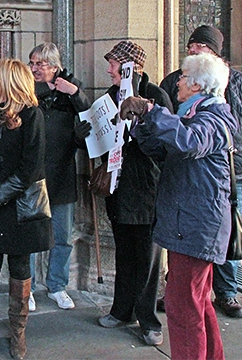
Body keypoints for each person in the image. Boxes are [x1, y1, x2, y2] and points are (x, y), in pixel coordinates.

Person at [121, 52, 236, 360]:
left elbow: (189, 142)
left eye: (184, 77)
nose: (179, 82)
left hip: (196, 226)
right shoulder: (194, 115)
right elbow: (164, 151)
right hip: (188, 223)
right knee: (197, 302)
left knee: (183, 307)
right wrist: (143, 123)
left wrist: (151, 109)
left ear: (198, 85)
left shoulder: (213, 119)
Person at [159, 25, 242, 318]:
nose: (193, 50)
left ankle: (227, 292)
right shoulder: (173, 82)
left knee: (226, 235)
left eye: (201, 47)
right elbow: (170, 125)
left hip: (237, 172)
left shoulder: (239, 85)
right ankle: (181, 289)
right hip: (193, 176)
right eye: (191, 45)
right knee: (192, 246)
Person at [0, 58, 53, 360]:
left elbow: (30, 168)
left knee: (19, 270)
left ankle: (17, 336)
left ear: (8, 82)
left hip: (20, 211)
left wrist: (0, 194)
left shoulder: (32, 116)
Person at [90, 41, 173, 346]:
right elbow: (103, 137)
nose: (109, 69)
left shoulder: (155, 96)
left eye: (113, 63)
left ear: (129, 67)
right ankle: (122, 310)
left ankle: (148, 320)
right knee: (124, 252)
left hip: (147, 188)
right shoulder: (109, 98)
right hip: (119, 187)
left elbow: (166, 143)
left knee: (148, 259)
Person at [27, 42, 91, 311]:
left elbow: (87, 111)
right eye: (32, 63)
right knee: (29, 237)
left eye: (40, 64)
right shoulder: (28, 90)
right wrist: (44, 89)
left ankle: (57, 285)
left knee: (63, 236)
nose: (34, 69)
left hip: (62, 174)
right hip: (32, 176)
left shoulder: (70, 88)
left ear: (55, 66)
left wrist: (73, 91)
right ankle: (26, 287)